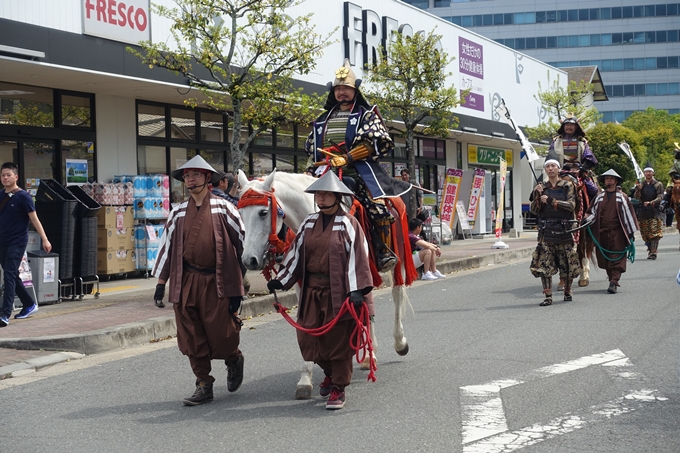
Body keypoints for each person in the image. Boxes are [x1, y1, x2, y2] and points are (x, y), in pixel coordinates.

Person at [266, 171, 374, 410]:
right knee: (309, 338)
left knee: (338, 341)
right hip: (312, 291)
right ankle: (328, 373)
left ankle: (338, 388)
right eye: (319, 194)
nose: (322, 198)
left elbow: (359, 256)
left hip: (341, 291)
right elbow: (296, 253)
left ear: (338, 196)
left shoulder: (349, 222)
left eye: (327, 194)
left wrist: (357, 291)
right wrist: (281, 280)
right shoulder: (308, 222)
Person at [152, 155, 246, 406]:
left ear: (208, 178)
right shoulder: (177, 212)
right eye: (187, 175)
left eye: (195, 174)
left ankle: (233, 358)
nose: (190, 179)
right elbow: (167, 248)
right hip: (186, 281)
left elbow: (242, 245)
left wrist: (239, 281)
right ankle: (203, 383)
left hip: (217, 281)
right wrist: (161, 283)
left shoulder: (224, 208)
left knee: (222, 334)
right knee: (191, 335)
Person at [305, 58, 412, 272]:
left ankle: (383, 252)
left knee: (378, 209)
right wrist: (309, 168)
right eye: (338, 88)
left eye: (346, 88)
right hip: (325, 172)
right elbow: (313, 148)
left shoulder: (366, 114)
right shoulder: (323, 118)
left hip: (357, 173)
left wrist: (348, 158)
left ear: (355, 90)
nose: (342, 92)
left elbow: (373, 143)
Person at [0, 162, 52, 327]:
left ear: (16, 177)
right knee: (12, 276)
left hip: (17, 242)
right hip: (2, 241)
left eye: (8, 175)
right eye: (3, 175)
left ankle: (4, 314)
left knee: (8, 275)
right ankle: (29, 304)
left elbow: (34, 219)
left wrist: (44, 238)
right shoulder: (0, 196)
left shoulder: (23, 196)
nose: (5, 177)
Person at [529, 150, 581, 306]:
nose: (550, 169)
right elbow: (534, 211)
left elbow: (571, 205)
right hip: (546, 232)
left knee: (568, 263)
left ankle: (567, 290)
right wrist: (538, 196)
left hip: (564, 230)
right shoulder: (541, 186)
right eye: (548, 166)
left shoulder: (567, 185)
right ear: (545, 169)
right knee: (544, 264)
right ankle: (547, 295)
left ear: (558, 169)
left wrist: (552, 201)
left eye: (553, 166)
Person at [583, 169, 639, 294]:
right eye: (607, 178)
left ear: (616, 181)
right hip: (602, 233)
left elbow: (628, 215)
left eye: (611, 178)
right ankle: (611, 278)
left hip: (617, 233)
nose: (609, 180)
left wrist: (630, 234)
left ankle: (614, 281)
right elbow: (592, 212)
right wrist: (586, 220)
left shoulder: (622, 197)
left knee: (616, 257)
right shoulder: (599, 197)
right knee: (605, 258)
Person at [549, 115, 598, 199]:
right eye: (567, 125)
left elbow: (589, 158)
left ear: (576, 127)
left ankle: (591, 210)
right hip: (559, 171)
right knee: (541, 190)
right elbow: (550, 158)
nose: (569, 127)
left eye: (571, 125)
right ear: (563, 126)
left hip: (578, 172)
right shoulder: (556, 141)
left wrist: (582, 169)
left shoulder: (582, 141)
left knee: (593, 190)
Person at [633, 163, 664, 259]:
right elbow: (636, 197)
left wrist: (651, 202)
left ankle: (654, 252)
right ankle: (650, 250)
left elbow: (661, 196)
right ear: (644, 173)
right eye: (646, 172)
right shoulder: (641, 185)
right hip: (643, 212)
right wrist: (638, 190)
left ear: (653, 173)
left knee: (654, 232)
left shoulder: (658, 184)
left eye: (650, 172)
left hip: (654, 211)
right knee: (645, 234)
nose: (648, 173)